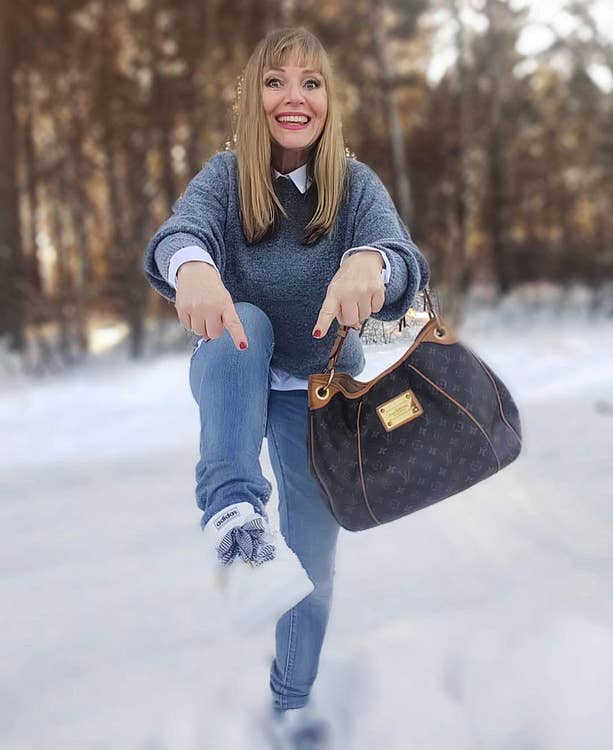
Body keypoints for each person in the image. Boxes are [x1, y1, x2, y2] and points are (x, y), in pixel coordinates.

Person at [143, 25, 430, 749]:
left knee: (310, 568)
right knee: (243, 320)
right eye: (275, 81)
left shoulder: (353, 185)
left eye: (311, 82)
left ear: (329, 100)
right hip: (238, 370)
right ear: (253, 97)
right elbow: (178, 234)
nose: (293, 97)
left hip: (319, 392)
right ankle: (231, 513)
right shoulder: (225, 177)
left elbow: (402, 259)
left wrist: (373, 263)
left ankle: (292, 706)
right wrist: (191, 268)